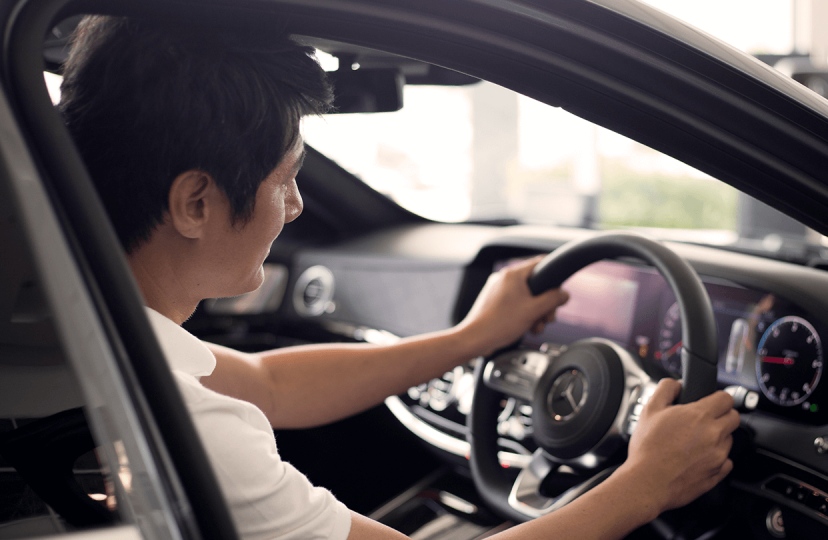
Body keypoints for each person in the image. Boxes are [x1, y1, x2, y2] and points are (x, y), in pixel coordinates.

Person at [58, 15, 739, 540]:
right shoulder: (196, 429)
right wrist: (646, 483)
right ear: (196, 203)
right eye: (286, 178)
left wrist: (468, 340)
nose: (295, 206)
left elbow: (270, 384)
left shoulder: (80, 328)